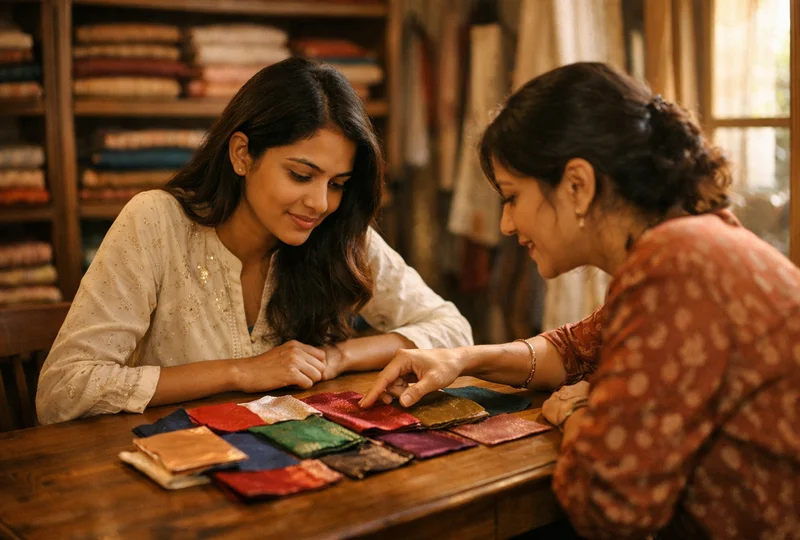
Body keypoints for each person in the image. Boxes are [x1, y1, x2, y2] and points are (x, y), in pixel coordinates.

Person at [361, 62, 800, 539]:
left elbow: (607, 507)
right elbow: (576, 349)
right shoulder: (692, 241)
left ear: (578, 185)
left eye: (512, 197)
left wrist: (578, 415)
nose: (507, 225)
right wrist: (459, 359)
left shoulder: (675, 264)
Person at [37, 57, 472, 425]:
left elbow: (453, 331)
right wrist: (239, 373)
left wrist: (337, 357)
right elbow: (63, 390)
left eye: (337, 183)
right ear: (242, 154)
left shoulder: (336, 233)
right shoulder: (156, 222)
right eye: (300, 175)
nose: (320, 203)